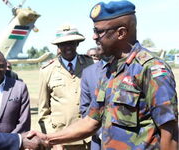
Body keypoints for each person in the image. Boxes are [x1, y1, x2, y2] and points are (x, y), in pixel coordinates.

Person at [30, 1, 178, 150]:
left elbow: (170, 133)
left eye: (99, 31)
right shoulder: (109, 69)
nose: (94, 37)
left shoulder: (150, 68)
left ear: (121, 33)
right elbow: (91, 121)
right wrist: (49, 138)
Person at [38, 24, 93, 150]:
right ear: (58, 46)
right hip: (62, 140)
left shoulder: (91, 65)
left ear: (77, 44)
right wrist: (54, 140)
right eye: (63, 44)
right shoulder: (47, 71)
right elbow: (43, 112)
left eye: (71, 43)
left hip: (89, 138)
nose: (68, 47)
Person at [80, 46, 109, 150]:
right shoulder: (89, 72)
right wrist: (101, 134)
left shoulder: (132, 68)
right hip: (98, 141)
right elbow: (85, 109)